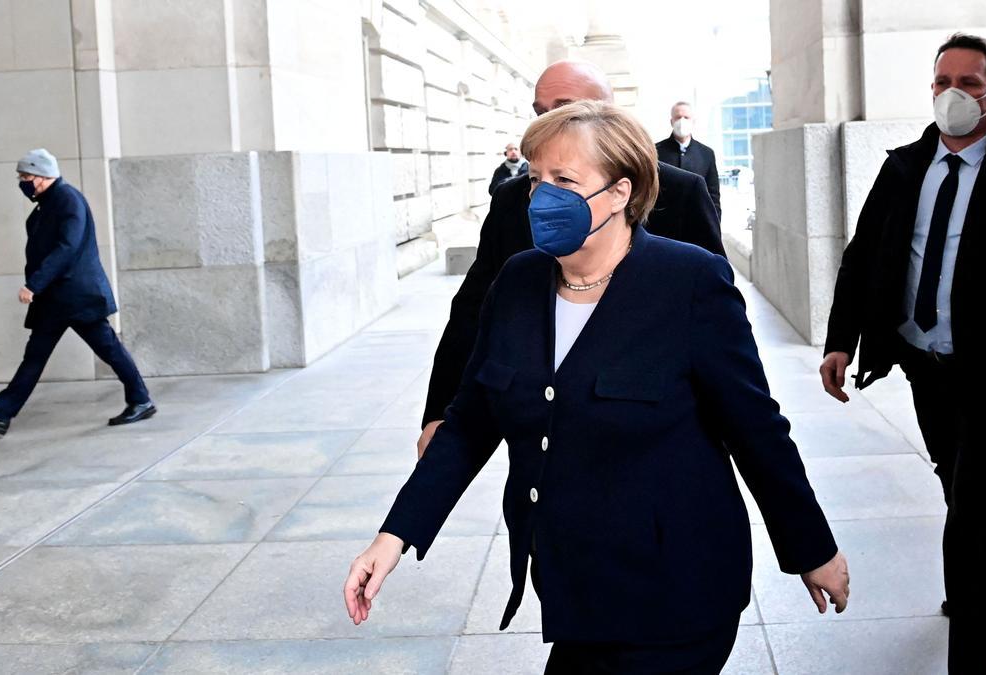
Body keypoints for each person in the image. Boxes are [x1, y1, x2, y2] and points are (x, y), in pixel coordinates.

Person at [345, 100, 850, 674]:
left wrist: (812, 548)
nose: (542, 197)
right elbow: (470, 421)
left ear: (619, 193)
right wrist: (394, 535)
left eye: (565, 180)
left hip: (676, 590)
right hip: (573, 587)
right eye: (537, 178)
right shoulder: (519, 281)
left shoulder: (688, 281)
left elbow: (755, 427)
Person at [818, 34, 986, 674]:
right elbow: (864, 257)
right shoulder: (903, 166)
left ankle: (970, 657)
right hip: (925, 365)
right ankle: (985, 551)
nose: (952, 94)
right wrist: (841, 339)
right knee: (955, 478)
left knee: (969, 511)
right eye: (942, 81)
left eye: (969, 84)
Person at [417, 59, 724, 457]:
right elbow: (473, 308)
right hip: (547, 430)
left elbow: (716, 317)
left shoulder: (681, 193)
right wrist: (440, 411)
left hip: (651, 423)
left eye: (565, 107)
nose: (551, 121)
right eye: (541, 112)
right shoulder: (513, 200)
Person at [0, 149, 156, 436]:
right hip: (56, 299)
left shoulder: (67, 200)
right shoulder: (47, 204)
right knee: (35, 356)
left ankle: (141, 400)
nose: (22, 182)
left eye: (25, 176)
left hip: (76, 296)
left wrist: (34, 284)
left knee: (108, 348)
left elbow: (67, 248)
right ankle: (1, 413)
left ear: (41, 176)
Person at [655, 101, 722, 217]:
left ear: (693, 122)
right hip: (665, 223)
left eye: (686, 117)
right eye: (678, 117)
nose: (682, 121)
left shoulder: (706, 154)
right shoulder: (656, 151)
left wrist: (715, 225)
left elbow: (713, 195)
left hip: (698, 221)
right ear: (671, 121)